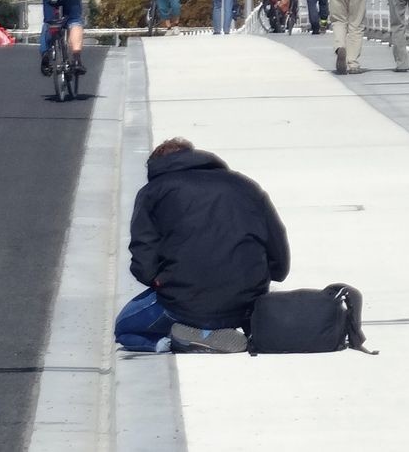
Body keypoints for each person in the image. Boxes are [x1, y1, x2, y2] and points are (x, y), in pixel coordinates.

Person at [115, 137, 290, 354]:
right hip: (246, 305)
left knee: (123, 328)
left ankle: (178, 340)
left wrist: (158, 280)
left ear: (156, 165)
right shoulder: (245, 186)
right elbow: (277, 248)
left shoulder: (153, 192)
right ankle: (211, 333)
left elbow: (144, 260)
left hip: (184, 304)